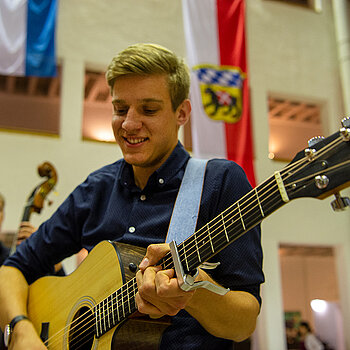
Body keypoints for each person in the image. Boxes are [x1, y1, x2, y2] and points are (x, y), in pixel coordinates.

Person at [0, 43, 264, 349]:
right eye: (120, 108)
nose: (128, 124)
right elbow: (12, 269)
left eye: (149, 109)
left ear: (182, 112)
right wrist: (19, 329)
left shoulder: (219, 183)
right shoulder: (96, 189)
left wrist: (196, 292)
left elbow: (243, 324)